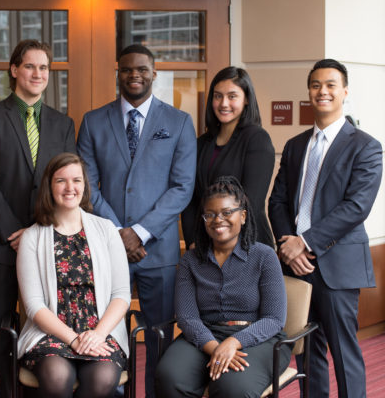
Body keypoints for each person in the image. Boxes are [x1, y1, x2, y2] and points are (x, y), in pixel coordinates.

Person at [77, 44, 197, 397]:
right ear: (118, 72)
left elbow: (182, 187)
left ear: (154, 73)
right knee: (107, 330)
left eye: (142, 69)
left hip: (157, 251)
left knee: (159, 333)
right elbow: (86, 185)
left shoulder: (178, 122)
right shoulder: (93, 121)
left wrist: (140, 234)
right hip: (106, 246)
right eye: (127, 69)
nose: (135, 75)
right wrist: (118, 234)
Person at [269, 59, 382, 398]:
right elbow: (277, 201)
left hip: (337, 264)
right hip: (297, 266)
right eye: (316, 85)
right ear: (309, 92)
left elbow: (356, 207)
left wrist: (304, 243)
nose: (323, 91)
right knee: (307, 353)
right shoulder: (295, 145)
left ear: (345, 91)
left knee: (343, 351)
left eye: (331, 84)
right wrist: (287, 245)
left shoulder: (365, 146)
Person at [0, 39, 76, 397]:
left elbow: (66, 181)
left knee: (42, 325)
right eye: (30, 66)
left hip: (46, 240)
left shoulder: (63, 124)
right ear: (14, 70)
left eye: (44, 68)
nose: (37, 74)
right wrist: (15, 231)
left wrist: (35, 233)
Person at [156, 176, 289, 398]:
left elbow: (274, 319)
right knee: (169, 376)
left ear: (243, 216)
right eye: (210, 214)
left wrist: (232, 343)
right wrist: (215, 348)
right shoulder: (191, 260)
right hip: (204, 334)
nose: (219, 220)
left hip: (257, 337)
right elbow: (187, 317)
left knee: (233, 387)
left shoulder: (264, 256)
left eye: (227, 212)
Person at [17, 152, 130, 398]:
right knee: (57, 377)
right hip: (50, 333)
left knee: (103, 378)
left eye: (77, 180)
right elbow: (34, 306)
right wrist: (73, 339)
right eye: (61, 181)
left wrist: (97, 334)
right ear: (49, 186)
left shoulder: (107, 230)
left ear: (85, 185)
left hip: (100, 331)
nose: (70, 187)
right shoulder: (32, 237)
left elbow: (121, 295)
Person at [181, 67, 275, 248]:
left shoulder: (257, 139)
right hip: (204, 244)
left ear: (246, 99)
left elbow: (251, 202)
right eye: (218, 96)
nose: (224, 103)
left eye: (232, 96)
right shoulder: (201, 143)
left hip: (246, 245)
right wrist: (193, 241)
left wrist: (221, 241)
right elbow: (191, 200)